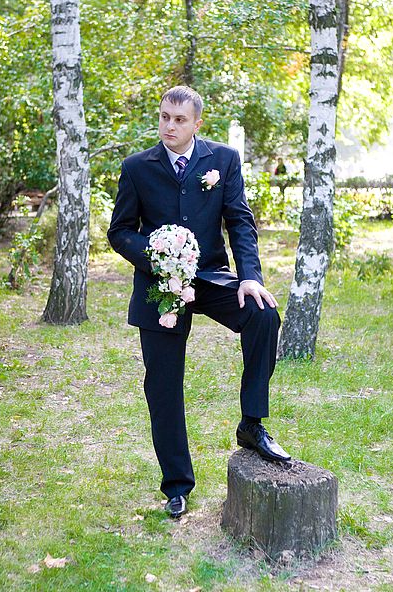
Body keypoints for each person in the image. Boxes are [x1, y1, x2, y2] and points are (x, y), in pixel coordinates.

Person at [107, 86, 290, 519]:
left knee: (264, 314)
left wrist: (249, 278)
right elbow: (120, 231)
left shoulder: (223, 160)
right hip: (160, 284)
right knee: (163, 384)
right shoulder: (137, 168)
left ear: (196, 124)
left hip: (210, 276)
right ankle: (176, 484)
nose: (169, 126)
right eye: (164, 117)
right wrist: (155, 252)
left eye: (179, 119)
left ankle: (252, 424)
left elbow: (240, 222)